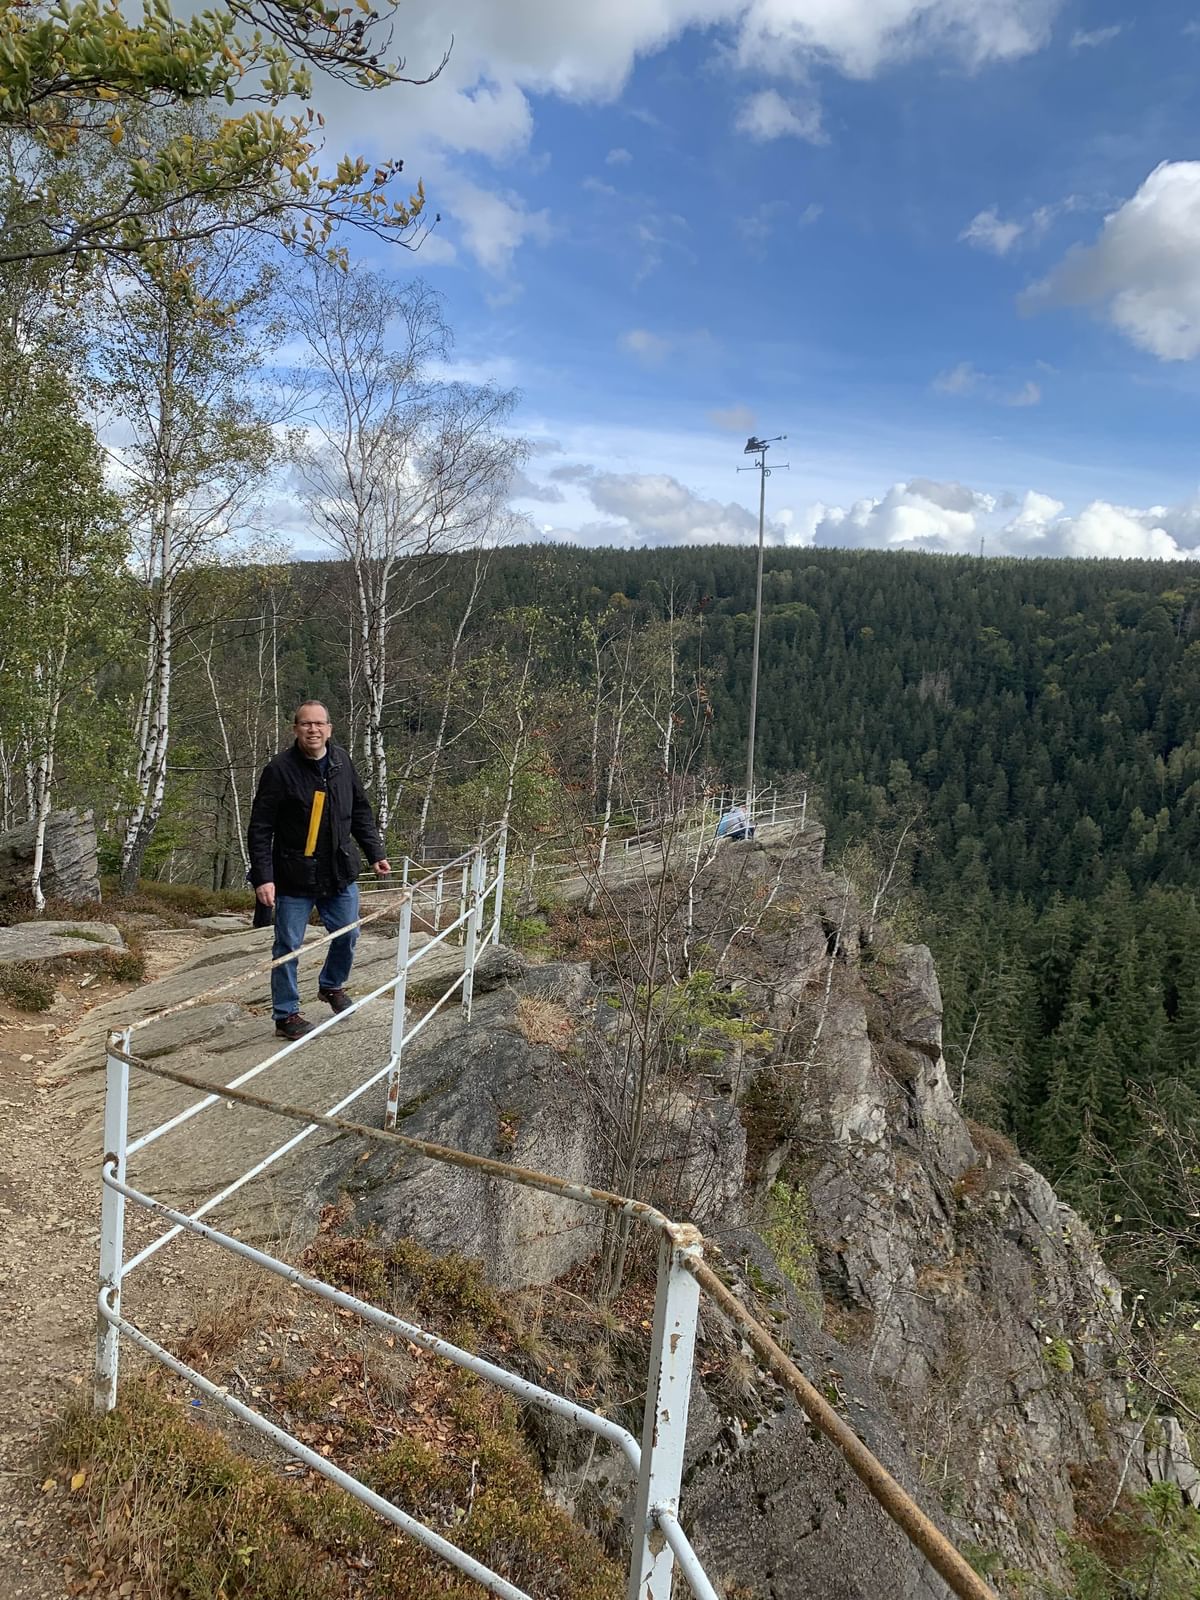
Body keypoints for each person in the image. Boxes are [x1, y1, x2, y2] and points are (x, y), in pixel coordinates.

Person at [247, 701, 391, 1039]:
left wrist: (375, 853)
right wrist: (264, 877)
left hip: (338, 869)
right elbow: (260, 827)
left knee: (348, 933)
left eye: (319, 724)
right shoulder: (279, 770)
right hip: (293, 875)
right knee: (288, 946)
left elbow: (360, 811)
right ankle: (286, 1015)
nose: (313, 729)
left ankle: (331, 985)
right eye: (306, 724)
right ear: (295, 729)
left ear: (329, 728)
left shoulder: (341, 762)